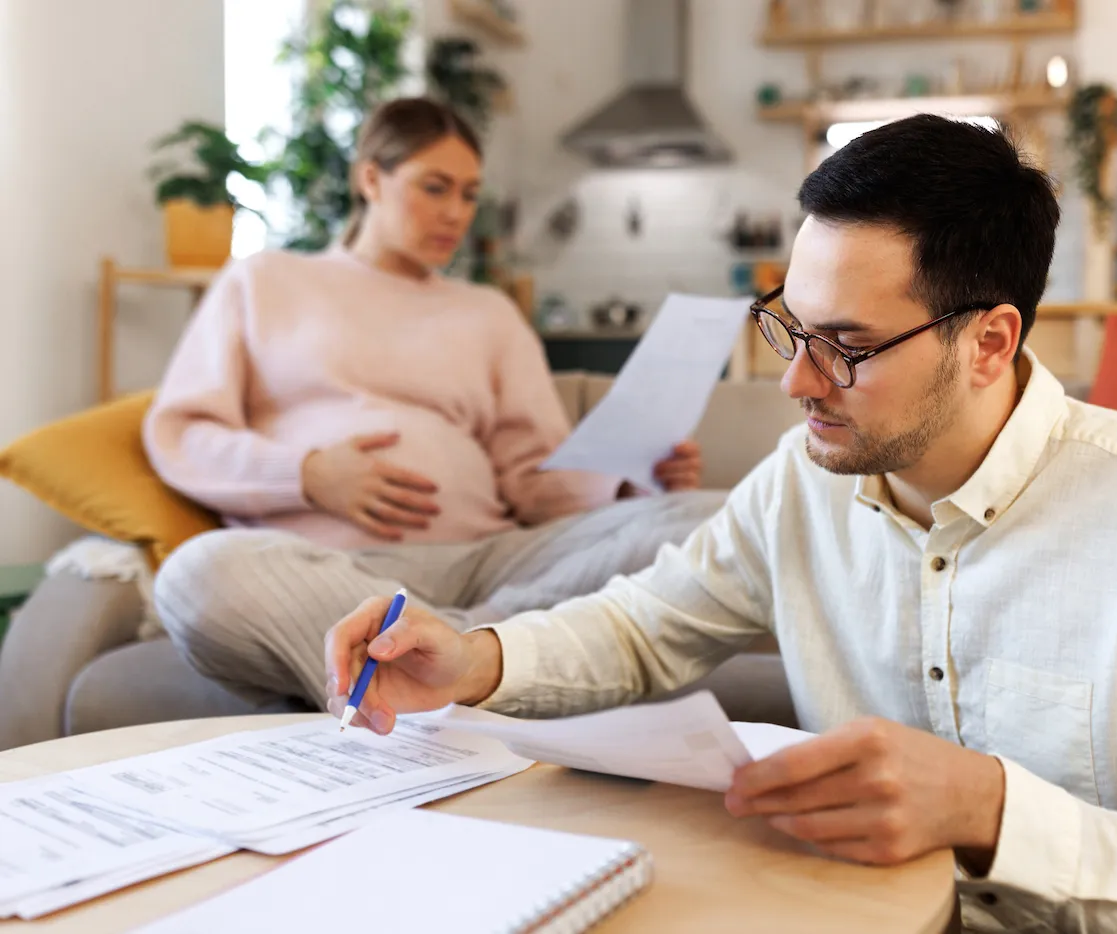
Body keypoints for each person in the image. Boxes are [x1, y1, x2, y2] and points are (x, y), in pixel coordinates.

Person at [324, 114, 1117, 931]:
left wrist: (989, 811)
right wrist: (474, 658)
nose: (795, 380)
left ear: (987, 342)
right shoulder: (799, 482)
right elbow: (641, 626)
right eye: (789, 326)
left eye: (845, 345)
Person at [147, 97, 724, 709]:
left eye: (470, 194)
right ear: (370, 178)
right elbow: (183, 435)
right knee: (196, 575)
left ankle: (454, 647)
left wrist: (631, 483)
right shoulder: (264, 281)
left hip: (491, 565)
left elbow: (533, 477)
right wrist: (309, 476)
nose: (455, 213)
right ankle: (457, 651)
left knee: (719, 516)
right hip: (330, 568)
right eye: (435, 187)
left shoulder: (489, 312)